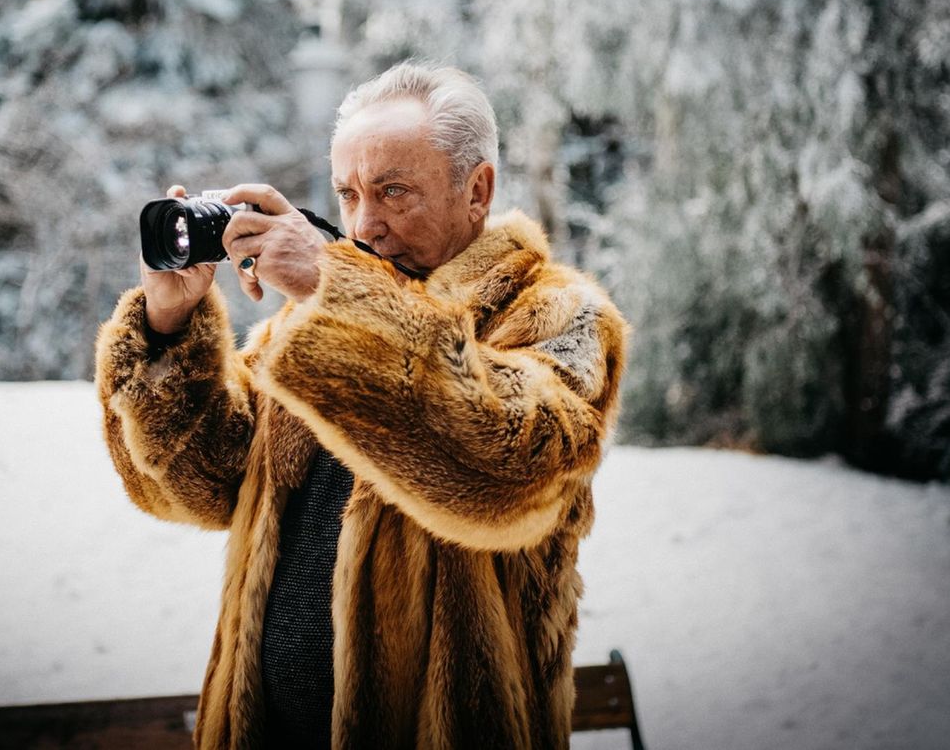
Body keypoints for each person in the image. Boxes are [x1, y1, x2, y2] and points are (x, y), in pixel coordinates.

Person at [94, 61, 629, 749]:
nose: (365, 223)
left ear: (478, 190)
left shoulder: (556, 314)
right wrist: (169, 330)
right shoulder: (310, 326)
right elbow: (191, 488)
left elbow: (509, 470)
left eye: (393, 191)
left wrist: (336, 287)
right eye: (348, 193)